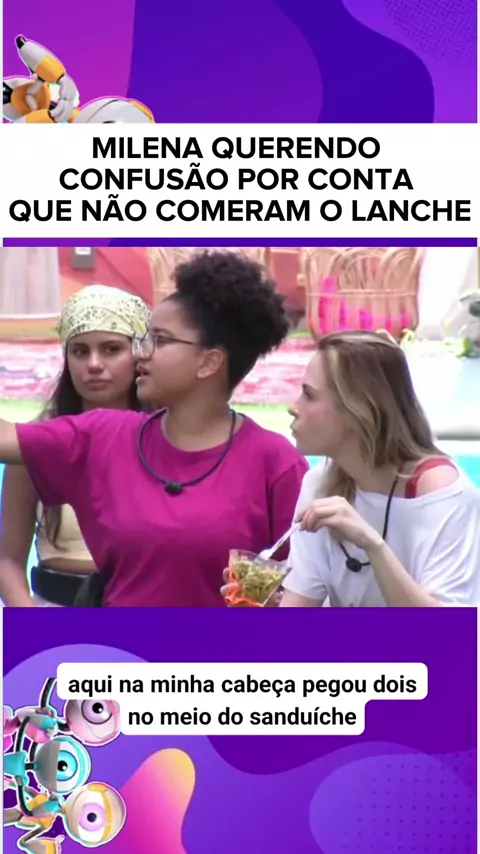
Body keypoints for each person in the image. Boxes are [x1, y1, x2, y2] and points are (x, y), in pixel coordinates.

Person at [0, 252, 308, 607]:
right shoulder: (105, 434)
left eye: (159, 340)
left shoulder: (276, 463)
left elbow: (311, 589)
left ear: (209, 363)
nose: (140, 353)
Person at [277, 331, 480, 607]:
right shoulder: (320, 483)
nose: (293, 407)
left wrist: (372, 544)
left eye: (309, 395)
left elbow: (446, 632)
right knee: (218, 631)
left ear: (358, 412)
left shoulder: (442, 495)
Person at [0, 284, 151, 608]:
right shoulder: (35, 441)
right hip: (56, 610)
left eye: (111, 349)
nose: (94, 364)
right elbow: (8, 560)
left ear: (139, 353)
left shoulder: (169, 434)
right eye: (80, 351)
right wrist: (33, 624)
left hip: (148, 613)